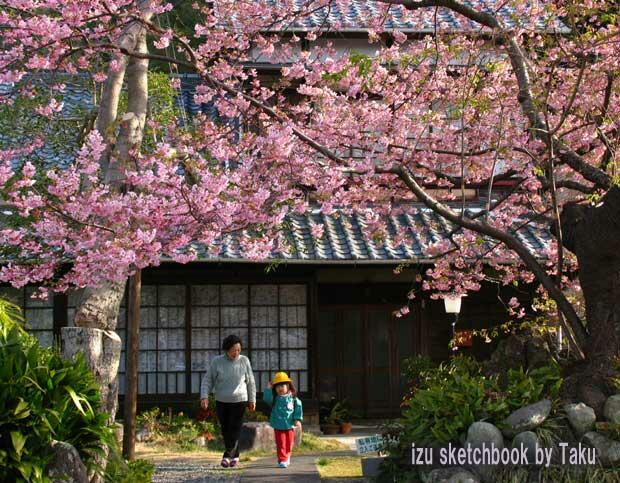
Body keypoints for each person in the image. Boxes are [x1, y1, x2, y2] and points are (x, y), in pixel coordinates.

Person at [200, 334, 256, 468]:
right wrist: (204, 396)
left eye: (239, 350)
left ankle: (227, 455)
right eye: (233, 350)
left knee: (235, 428)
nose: (236, 353)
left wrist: (252, 399)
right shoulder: (217, 362)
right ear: (226, 349)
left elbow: (251, 382)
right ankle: (235, 456)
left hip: (240, 400)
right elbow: (208, 380)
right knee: (226, 429)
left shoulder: (244, 361)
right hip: (222, 400)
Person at [263, 371, 303, 468]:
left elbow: (298, 407)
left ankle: (287, 456)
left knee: (289, 443)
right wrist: (268, 389)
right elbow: (267, 399)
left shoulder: (293, 398)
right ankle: (282, 459)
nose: (280, 388)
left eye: (282, 386)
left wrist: (297, 419)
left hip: (290, 425)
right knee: (281, 443)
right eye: (277, 386)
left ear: (288, 386)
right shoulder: (275, 399)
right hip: (278, 425)